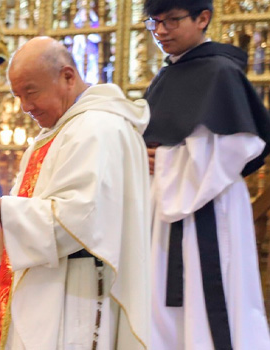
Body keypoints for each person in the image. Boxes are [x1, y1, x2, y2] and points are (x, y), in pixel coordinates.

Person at [0, 37, 151, 349]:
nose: (25, 107)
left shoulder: (97, 129)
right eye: (18, 96)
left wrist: (4, 209)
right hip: (50, 284)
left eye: (30, 92)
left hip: (78, 293)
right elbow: (37, 207)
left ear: (68, 76)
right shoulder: (60, 130)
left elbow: (80, 218)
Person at [141, 0, 270, 348]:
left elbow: (238, 147)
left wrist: (166, 162)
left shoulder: (221, 74)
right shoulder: (166, 75)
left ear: (203, 18)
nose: (161, 31)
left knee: (212, 299)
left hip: (208, 204)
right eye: (154, 22)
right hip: (167, 205)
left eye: (171, 20)